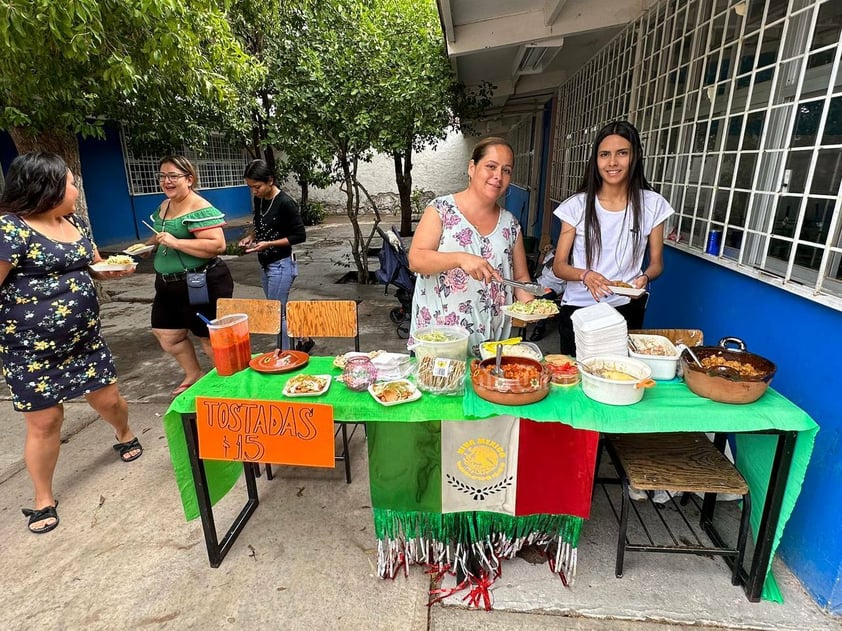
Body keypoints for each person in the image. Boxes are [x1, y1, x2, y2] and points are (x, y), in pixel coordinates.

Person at [0, 152, 143, 534]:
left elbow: (92, 262)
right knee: (46, 421)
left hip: (85, 341)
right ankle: (43, 497)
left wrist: (112, 269)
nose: (75, 188)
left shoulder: (73, 221)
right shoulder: (10, 230)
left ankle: (124, 433)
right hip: (30, 352)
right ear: (45, 188)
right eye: (69, 182)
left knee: (109, 400)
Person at [552, 120, 674, 355]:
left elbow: (657, 263)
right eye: (604, 154)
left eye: (622, 153)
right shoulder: (576, 206)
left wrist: (645, 277)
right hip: (579, 310)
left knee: (621, 376)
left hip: (626, 309)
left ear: (635, 156)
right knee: (574, 382)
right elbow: (559, 266)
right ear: (596, 160)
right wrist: (585, 275)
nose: (612, 162)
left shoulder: (652, 204)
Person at [407, 136, 534, 353]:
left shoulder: (510, 224)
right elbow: (416, 260)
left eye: (506, 170)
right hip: (439, 341)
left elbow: (520, 279)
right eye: (491, 167)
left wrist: (531, 306)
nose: (498, 176)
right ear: (472, 168)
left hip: (491, 344)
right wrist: (460, 258)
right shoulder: (441, 210)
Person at [149, 155, 234, 396]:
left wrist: (176, 243)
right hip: (167, 284)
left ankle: (229, 385)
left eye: (173, 176)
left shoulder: (200, 208)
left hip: (201, 282)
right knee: (167, 334)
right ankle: (194, 373)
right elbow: (160, 235)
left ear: (189, 179)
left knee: (208, 338)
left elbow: (217, 245)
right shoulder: (165, 206)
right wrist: (147, 248)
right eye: (163, 176)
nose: (167, 181)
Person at [238, 159, 311, 352]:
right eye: (251, 188)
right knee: (277, 309)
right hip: (265, 263)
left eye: (257, 186)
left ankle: (286, 354)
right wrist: (251, 236)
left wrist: (269, 243)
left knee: (277, 313)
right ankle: (303, 338)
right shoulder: (260, 199)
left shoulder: (286, 203)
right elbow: (262, 225)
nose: (254, 191)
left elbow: (299, 235)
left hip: (281, 263)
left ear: (270, 180)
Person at [527, 244, 566, 342]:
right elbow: (540, 262)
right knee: (522, 287)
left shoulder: (570, 262)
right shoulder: (552, 254)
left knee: (544, 300)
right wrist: (544, 252)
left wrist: (565, 294)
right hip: (540, 282)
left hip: (554, 287)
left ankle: (539, 328)